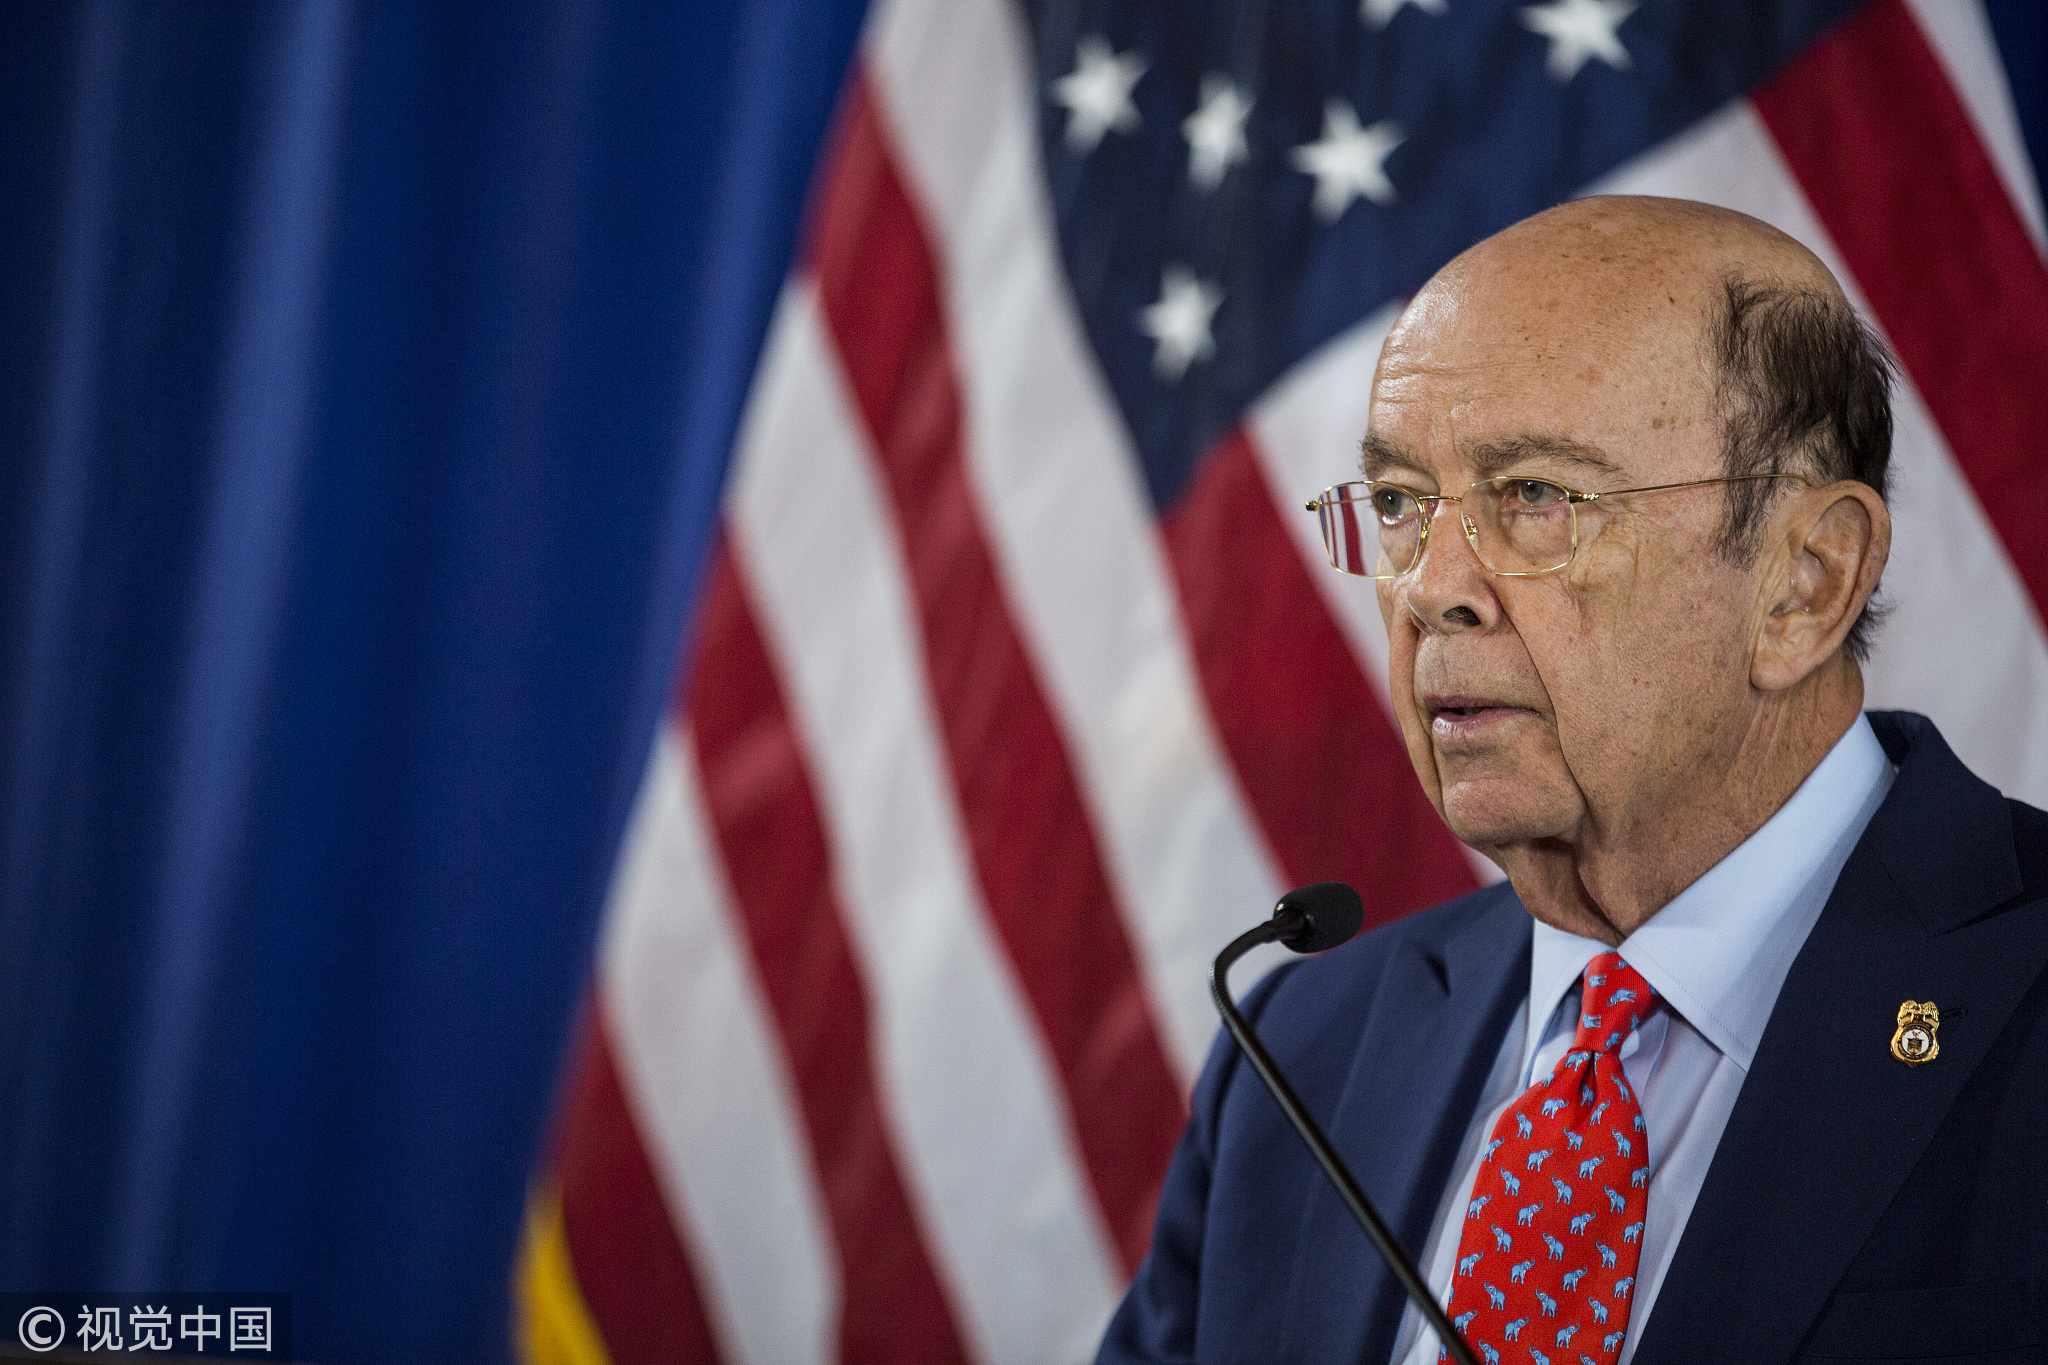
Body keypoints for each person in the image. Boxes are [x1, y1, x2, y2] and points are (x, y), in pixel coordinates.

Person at [1096, 196, 2048, 1365]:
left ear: (1804, 581)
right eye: (1397, 505)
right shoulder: (1300, 1052)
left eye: (1535, 497)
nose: (1432, 588)